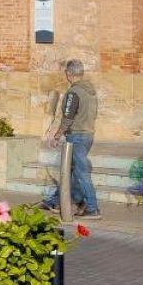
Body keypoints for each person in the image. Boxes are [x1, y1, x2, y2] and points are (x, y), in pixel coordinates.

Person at [42, 58, 101, 217]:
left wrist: (57, 135)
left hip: (77, 136)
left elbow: (68, 117)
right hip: (88, 134)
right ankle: (61, 201)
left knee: (81, 172)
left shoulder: (73, 92)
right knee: (71, 171)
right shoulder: (91, 92)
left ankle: (92, 208)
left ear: (69, 73)